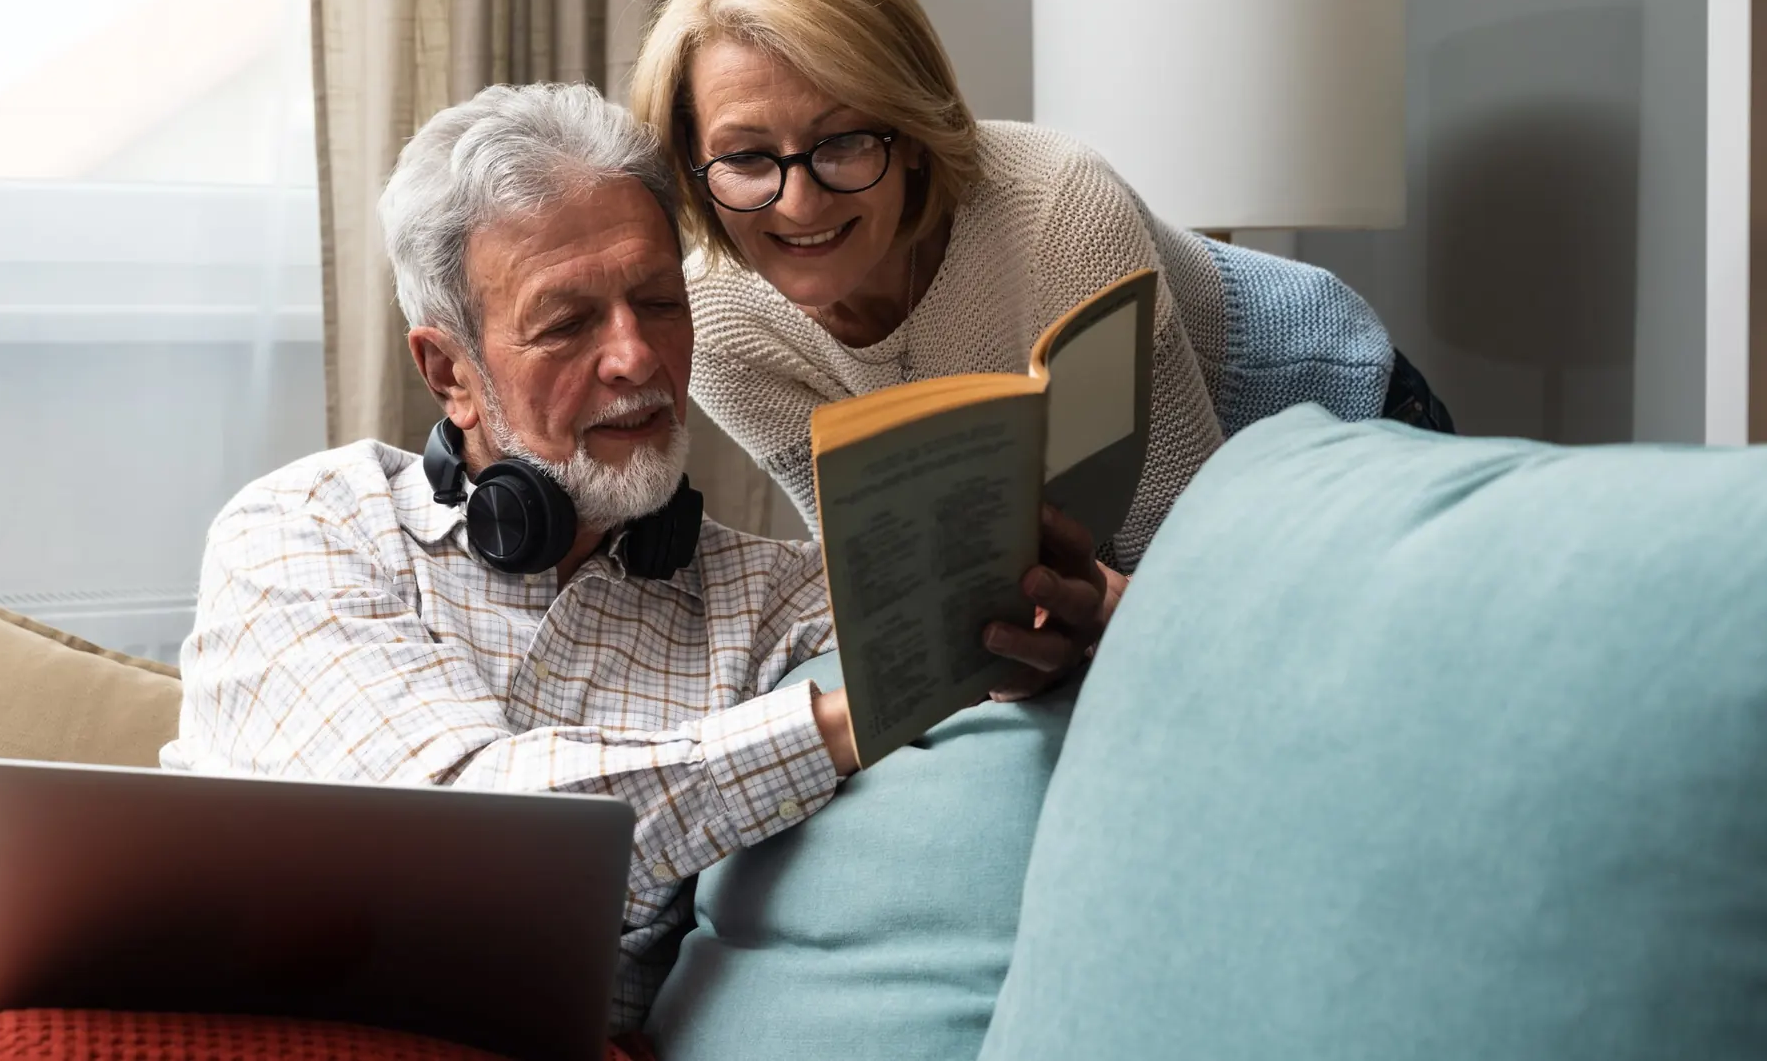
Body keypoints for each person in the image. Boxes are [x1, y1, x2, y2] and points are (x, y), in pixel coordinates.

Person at [161, 84, 1113, 1031]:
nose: (638, 358)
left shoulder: (778, 601)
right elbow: (454, 843)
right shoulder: (311, 525)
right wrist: (845, 718)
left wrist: (1065, 616)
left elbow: (1028, 630)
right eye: (569, 323)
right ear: (451, 370)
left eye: (659, 302)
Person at [631, 0, 1452, 572]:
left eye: (844, 141)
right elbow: (888, 563)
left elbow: (1181, 554)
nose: (800, 202)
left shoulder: (1058, 212)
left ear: (914, 132)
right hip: (1138, 527)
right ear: (692, 166)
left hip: (1314, 420)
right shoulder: (720, 323)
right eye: (744, 158)